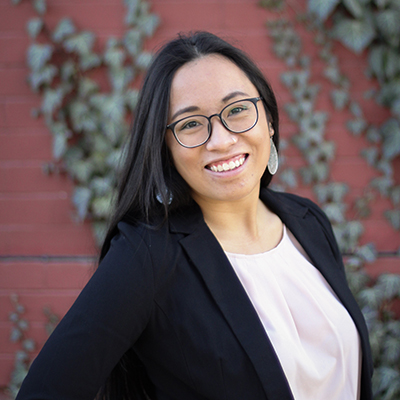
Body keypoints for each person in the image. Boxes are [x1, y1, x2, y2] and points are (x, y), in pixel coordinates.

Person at [16, 31, 372, 400]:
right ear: (165, 148)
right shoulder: (148, 257)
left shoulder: (308, 222)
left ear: (267, 119)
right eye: (190, 124)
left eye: (237, 110)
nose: (220, 140)